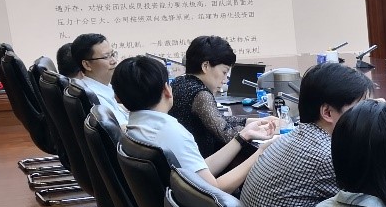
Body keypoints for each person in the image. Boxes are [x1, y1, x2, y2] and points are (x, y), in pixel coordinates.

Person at [239, 61, 371, 207]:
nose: (367, 115)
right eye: (361, 108)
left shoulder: (295, 136)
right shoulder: (327, 156)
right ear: (327, 113)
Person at [114, 55, 275, 195]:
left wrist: (243, 136)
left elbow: (199, 169)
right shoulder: (169, 132)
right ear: (167, 90)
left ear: (119, 97)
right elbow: (215, 189)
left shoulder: (136, 127)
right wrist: (262, 153)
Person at [170, 35, 249, 157]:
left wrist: (247, 121)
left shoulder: (179, 82)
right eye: (224, 72)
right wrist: (254, 131)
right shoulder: (201, 94)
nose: (225, 79)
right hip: (200, 163)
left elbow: (217, 119)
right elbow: (226, 135)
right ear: (205, 66)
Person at [71, 33, 128, 126]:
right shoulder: (95, 97)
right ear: (87, 65)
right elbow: (122, 129)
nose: (114, 61)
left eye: (113, 54)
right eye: (106, 57)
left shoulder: (102, 86)